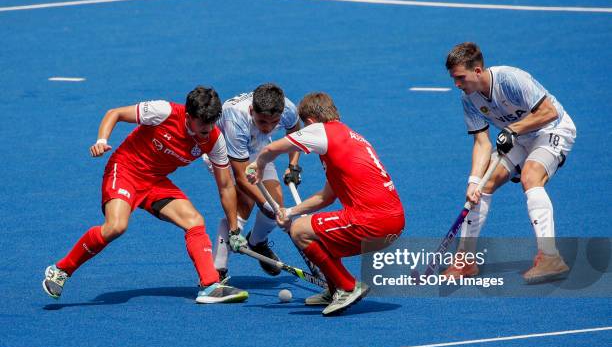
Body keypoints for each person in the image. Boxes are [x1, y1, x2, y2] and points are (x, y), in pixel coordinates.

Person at [42, 86, 249, 304]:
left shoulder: (215, 140)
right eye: (202, 127)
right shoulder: (164, 111)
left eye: (211, 125)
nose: (207, 131)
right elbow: (115, 113)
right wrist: (102, 141)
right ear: (188, 117)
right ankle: (61, 270)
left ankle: (209, 285)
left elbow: (226, 186)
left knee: (195, 220)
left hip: (155, 181)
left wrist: (234, 229)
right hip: (125, 170)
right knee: (116, 227)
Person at [246, 92, 405, 316]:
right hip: (392, 224)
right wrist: (290, 212)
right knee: (316, 231)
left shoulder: (321, 130)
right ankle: (334, 289)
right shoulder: (348, 138)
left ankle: (348, 286)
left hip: (373, 221)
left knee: (300, 231)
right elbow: (326, 197)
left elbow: (271, 149)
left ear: (309, 121)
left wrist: (258, 166)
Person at [444, 42, 576, 283]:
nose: (457, 84)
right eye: (454, 79)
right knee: (483, 187)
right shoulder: (468, 99)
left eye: (460, 78)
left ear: (477, 71)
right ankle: (465, 261)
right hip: (519, 137)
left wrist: (513, 129)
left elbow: (549, 112)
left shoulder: (511, 79)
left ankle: (550, 257)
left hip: (552, 129)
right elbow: (482, 144)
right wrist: (473, 181)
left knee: (531, 176)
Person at [211, 83, 303, 278]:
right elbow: (242, 177)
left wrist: (293, 165)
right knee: (246, 202)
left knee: (276, 203)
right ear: (252, 110)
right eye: (262, 122)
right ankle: (217, 272)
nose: (268, 128)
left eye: (273, 122)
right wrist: (264, 204)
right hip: (224, 153)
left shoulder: (287, 108)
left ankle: (257, 241)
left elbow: (294, 130)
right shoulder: (235, 118)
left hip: (258, 150)